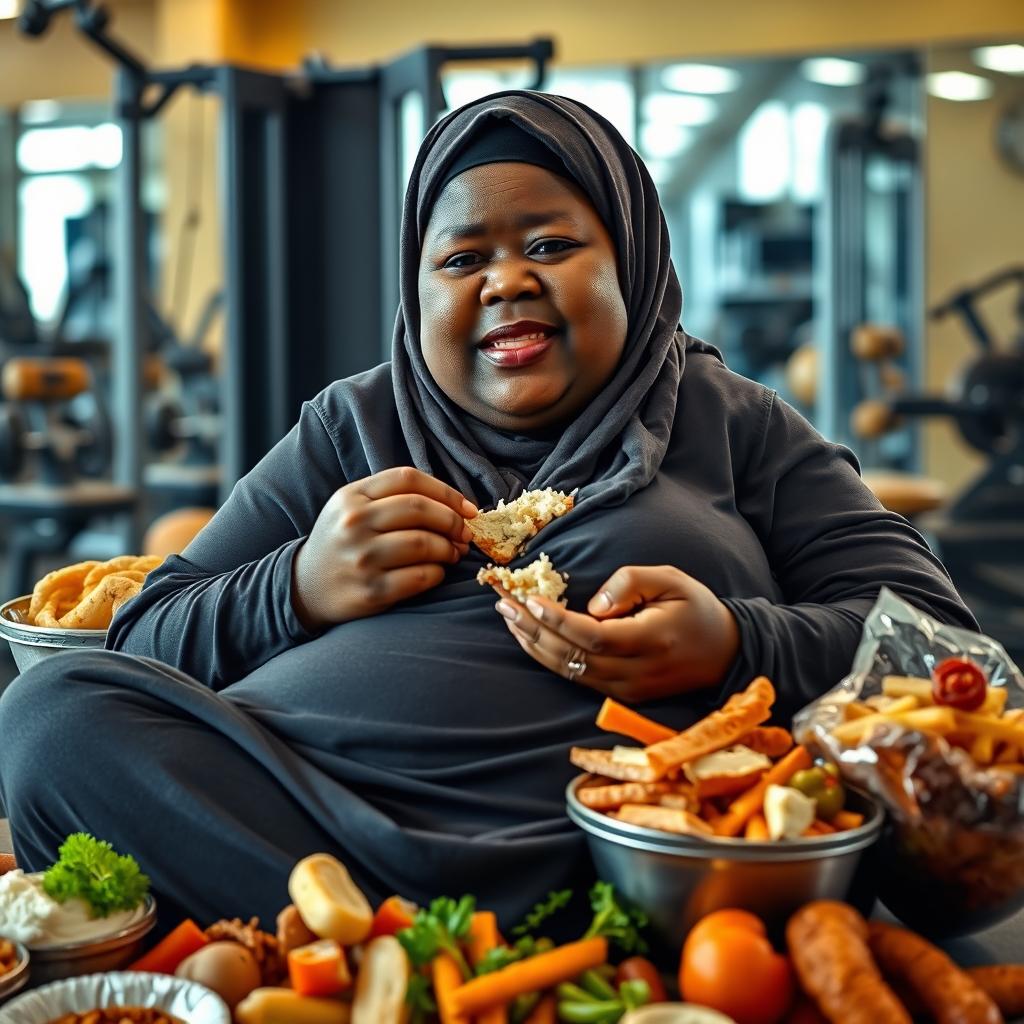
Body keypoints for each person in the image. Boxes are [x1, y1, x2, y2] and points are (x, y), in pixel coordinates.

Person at [0, 92, 975, 930]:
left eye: (550, 244)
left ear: (629, 261)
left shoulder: (734, 423)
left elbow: (944, 653)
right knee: (47, 718)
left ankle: (429, 963)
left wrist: (736, 644)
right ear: (416, 291)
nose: (505, 279)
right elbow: (139, 642)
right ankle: (416, 950)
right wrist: (296, 584)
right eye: (461, 259)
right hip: (304, 842)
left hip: (619, 858)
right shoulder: (351, 426)